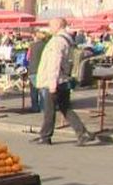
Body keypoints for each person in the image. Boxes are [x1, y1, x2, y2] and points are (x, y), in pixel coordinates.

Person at [33, 18, 95, 146]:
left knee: (50, 110)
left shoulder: (57, 42)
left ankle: (45, 136)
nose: (49, 28)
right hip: (64, 79)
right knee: (65, 108)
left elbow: (54, 63)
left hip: (55, 80)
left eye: (51, 25)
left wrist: (52, 84)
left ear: (58, 25)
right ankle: (82, 133)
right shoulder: (68, 40)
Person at [26, 31, 49, 113]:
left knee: (34, 90)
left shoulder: (32, 46)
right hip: (43, 70)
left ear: (36, 37)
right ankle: (43, 108)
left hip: (33, 69)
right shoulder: (46, 46)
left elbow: (27, 58)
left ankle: (35, 107)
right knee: (43, 90)